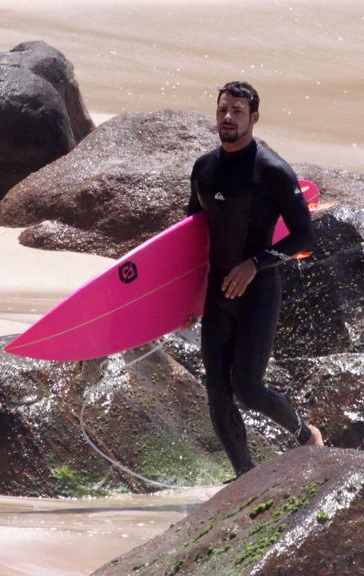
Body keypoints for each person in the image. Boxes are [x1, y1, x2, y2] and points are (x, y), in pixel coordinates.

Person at [187, 80, 323, 477]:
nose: (228, 118)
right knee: (217, 392)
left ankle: (303, 434)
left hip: (258, 291)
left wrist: (254, 264)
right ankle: (244, 476)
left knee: (247, 388)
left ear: (254, 118)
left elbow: (303, 236)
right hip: (216, 292)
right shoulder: (204, 169)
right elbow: (192, 233)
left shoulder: (273, 171)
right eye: (223, 110)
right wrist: (187, 301)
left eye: (237, 112)